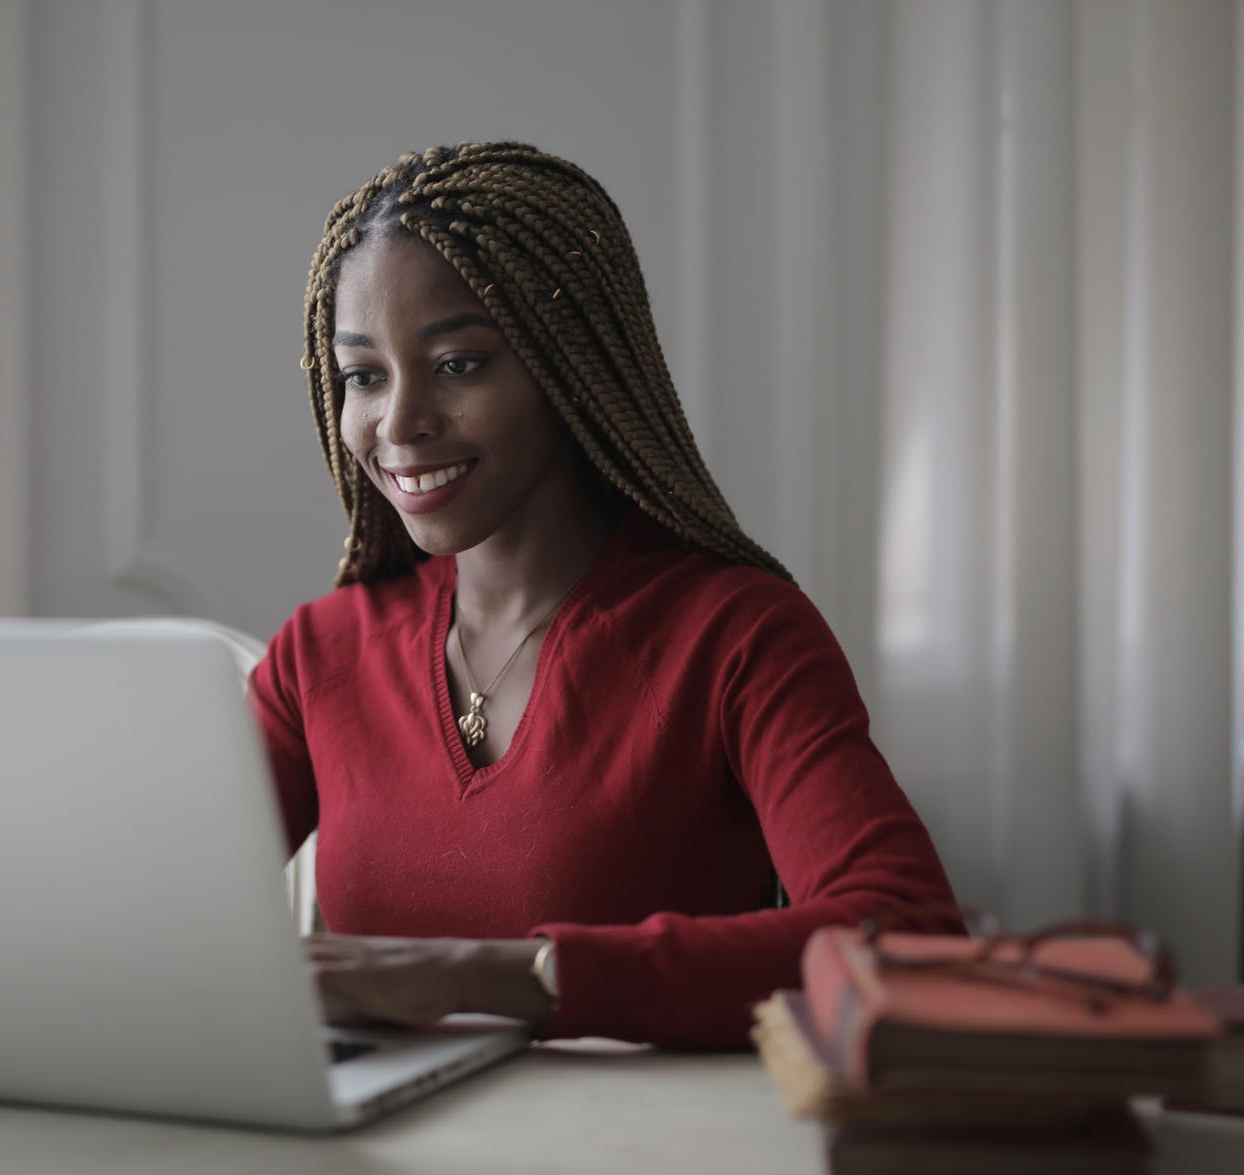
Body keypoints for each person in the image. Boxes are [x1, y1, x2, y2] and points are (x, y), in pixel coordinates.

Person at [247, 142, 955, 1050]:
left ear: (568, 362)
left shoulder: (736, 635)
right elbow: (147, 913)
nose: (398, 421)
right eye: (364, 375)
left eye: (458, 363)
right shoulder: (320, 654)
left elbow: (910, 934)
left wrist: (494, 975)